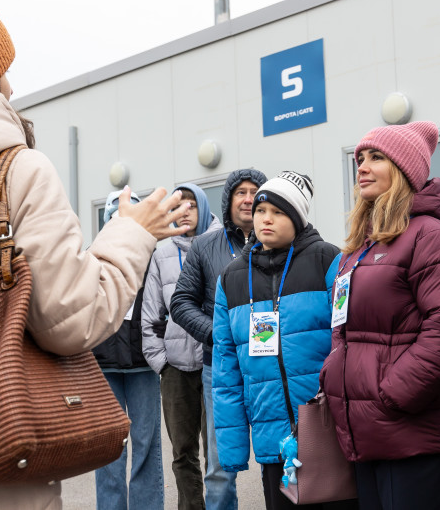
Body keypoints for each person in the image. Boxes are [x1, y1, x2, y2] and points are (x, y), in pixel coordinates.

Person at [0, 0, 192, 508]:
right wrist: (132, 233)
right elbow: (73, 318)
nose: (11, 85)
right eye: (1, 68)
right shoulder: (15, 169)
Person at [319, 122, 440, 509]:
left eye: (376, 158)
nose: (362, 167)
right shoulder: (360, 246)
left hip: (411, 432)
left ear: (404, 170)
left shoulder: (430, 236)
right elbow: (345, 330)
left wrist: (391, 395)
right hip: (367, 432)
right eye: (360, 159)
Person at [211, 172, 352, 510]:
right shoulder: (231, 278)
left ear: (298, 218)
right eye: (261, 211)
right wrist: (232, 448)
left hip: (325, 425)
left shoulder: (327, 260)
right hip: (272, 432)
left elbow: (347, 338)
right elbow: (226, 369)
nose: (266, 219)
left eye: (278, 212)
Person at [170, 168, 267, 510]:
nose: (248, 197)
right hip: (221, 368)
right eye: (240, 191)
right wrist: (218, 334)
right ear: (228, 201)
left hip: (271, 368)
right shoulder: (205, 246)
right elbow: (180, 302)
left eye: (255, 191)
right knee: (220, 464)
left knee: (283, 452)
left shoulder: (281, 241)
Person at [141, 183, 223, 510]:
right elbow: (149, 314)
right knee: (182, 452)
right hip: (175, 369)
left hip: (214, 364)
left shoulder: (222, 244)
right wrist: (161, 362)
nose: (185, 210)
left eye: (192, 204)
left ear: (203, 207)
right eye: (179, 205)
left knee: (217, 454)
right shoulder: (161, 252)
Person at [92, 190, 165, 510]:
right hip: (102, 365)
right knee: (108, 447)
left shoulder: (156, 260)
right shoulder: (92, 256)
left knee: (146, 445)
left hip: (143, 364)